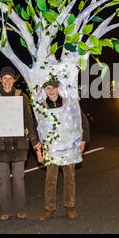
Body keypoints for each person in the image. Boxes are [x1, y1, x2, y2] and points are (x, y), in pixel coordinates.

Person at [0, 66, 41, 221]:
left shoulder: (22, 98)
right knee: (3, 180)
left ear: (14, 80)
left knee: (18, 179)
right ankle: (6, 209)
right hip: (0, 146)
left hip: (19, 145)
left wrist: (35, 142)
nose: (7, 81)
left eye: (10, 78)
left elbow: (29, 121)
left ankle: (20, 209)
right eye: (4, 78)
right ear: (0, 81)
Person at [37, 79, 90, 221]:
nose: (51, 91)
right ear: (45, 90)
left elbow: (82, 120)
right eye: (48, 88)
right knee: (50, 179)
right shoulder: (42, 107)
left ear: (58, 88)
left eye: (53, 87)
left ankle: (70, 206)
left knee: (69, 177)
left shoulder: (69, 102)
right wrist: (39, 148)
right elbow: (39, 128)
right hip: (52, 148)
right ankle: (49, 208)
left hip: (69, 146)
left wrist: (84, 139)